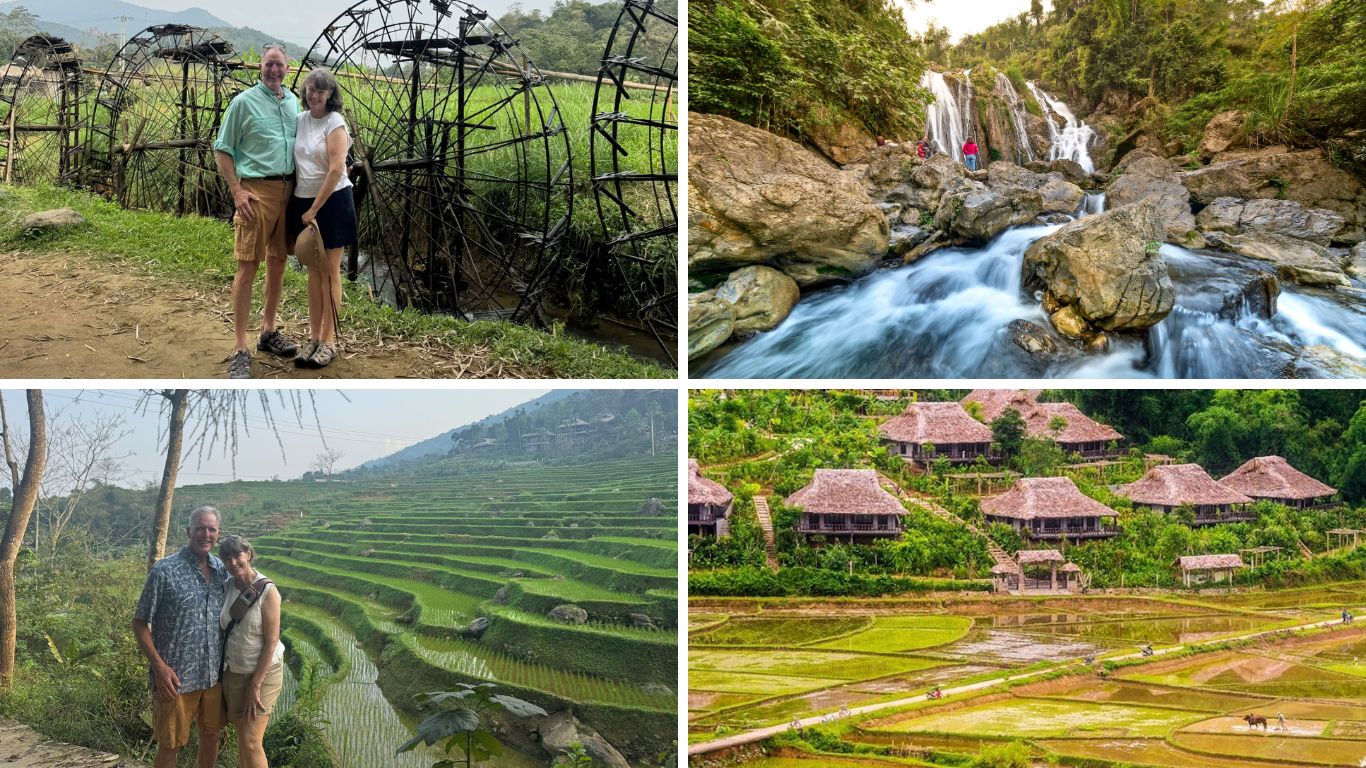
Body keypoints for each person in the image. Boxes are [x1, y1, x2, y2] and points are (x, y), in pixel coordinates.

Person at [214, 43, 300, 379]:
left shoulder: (294, 102)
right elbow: (223, 149)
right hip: (256, 191)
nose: (274, 70)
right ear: (259, 67)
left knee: (278, 261)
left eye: (279, 65)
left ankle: (267, 330)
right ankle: (239, 346)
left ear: (288, 69)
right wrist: (237, 191)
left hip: (288, 190)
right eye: (269, 64)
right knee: (248, 265)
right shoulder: (243, 103)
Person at [133, 506, 230, 768]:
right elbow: (140, 622)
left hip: (213, 676)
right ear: (189, 531)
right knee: (170, 744)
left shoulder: (222, 570)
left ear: (217, 534)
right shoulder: (164, 571)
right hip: (175, 678)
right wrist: (159, 668)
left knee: (211, 735)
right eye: (200, 528)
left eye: (211, 529)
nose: (205, 534)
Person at [286, 67, 357, 369]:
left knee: (330, 271)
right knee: (313, 273)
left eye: (321, 90)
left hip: (332, 201)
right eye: (310, 89)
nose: (314, 94)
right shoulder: (300, 120)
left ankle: (329, 342)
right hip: (304, 199)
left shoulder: (335, 122)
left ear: (330, 95)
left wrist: (315, 208)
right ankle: (313, 338)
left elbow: (337, 169)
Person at [218, 534, 285, 768]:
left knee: (251, 740)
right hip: (234, 672)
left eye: (237, 555)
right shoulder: (226, 587)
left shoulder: (268, 591)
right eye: (227, 558)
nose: (233, 562)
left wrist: (255, 684)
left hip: (263, 675)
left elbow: (271, 641)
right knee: (243, 738)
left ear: (248, 554)